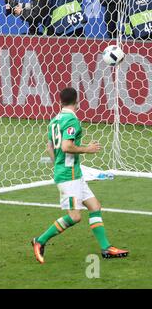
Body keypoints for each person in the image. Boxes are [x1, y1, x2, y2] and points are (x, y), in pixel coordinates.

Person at [31, 87, 129, 264]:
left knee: (94, 206)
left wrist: (58, 165)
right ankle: (40, 240)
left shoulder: (54, 120)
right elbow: (67, 146)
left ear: (60, 101)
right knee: (75, 216)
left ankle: (106, 248)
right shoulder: (72, 121)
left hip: (72, 174)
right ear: (77, 100)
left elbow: (50, 147)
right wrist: (88, 149)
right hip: (69, 177)